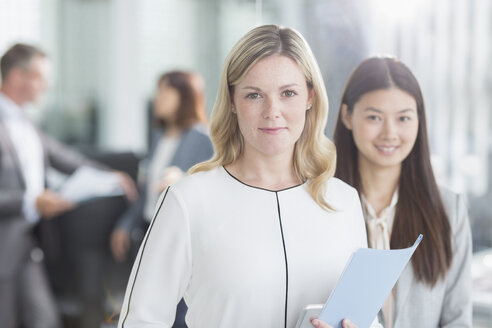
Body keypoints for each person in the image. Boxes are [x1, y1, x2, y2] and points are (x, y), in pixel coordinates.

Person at [118, 25, 379, 328]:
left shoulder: (343, 201)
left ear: (310, 97)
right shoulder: (188, 201)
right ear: (231, 100)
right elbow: (140, 321)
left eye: (288, 93)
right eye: (254, 95)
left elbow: (363, 318)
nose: (272, 111)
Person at [0, 43, 136, 328]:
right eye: (40, 77)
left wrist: (112, 175)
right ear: (16, 77)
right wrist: (30, 201)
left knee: (44, 319)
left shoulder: (26, 123)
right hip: (5, 242)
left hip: (28, 243)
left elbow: (67, 159)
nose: (46, 86)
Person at [333, 56, 472, 327]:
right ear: (347, 116)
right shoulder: (322, 204)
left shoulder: (448, 209)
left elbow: (457, 319)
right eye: (374, 117)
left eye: (403, 118)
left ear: (419, 120)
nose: (390, 133)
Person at [110, 70, 213, 327]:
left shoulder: (204, 139)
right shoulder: (158, 137)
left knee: (178, 312)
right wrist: (125, 224)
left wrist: (182, 179)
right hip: (148, 228)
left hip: (179, 234)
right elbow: (145, 191)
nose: (156, 98)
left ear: (184, 97)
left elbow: (212, 188)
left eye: (163, 91)